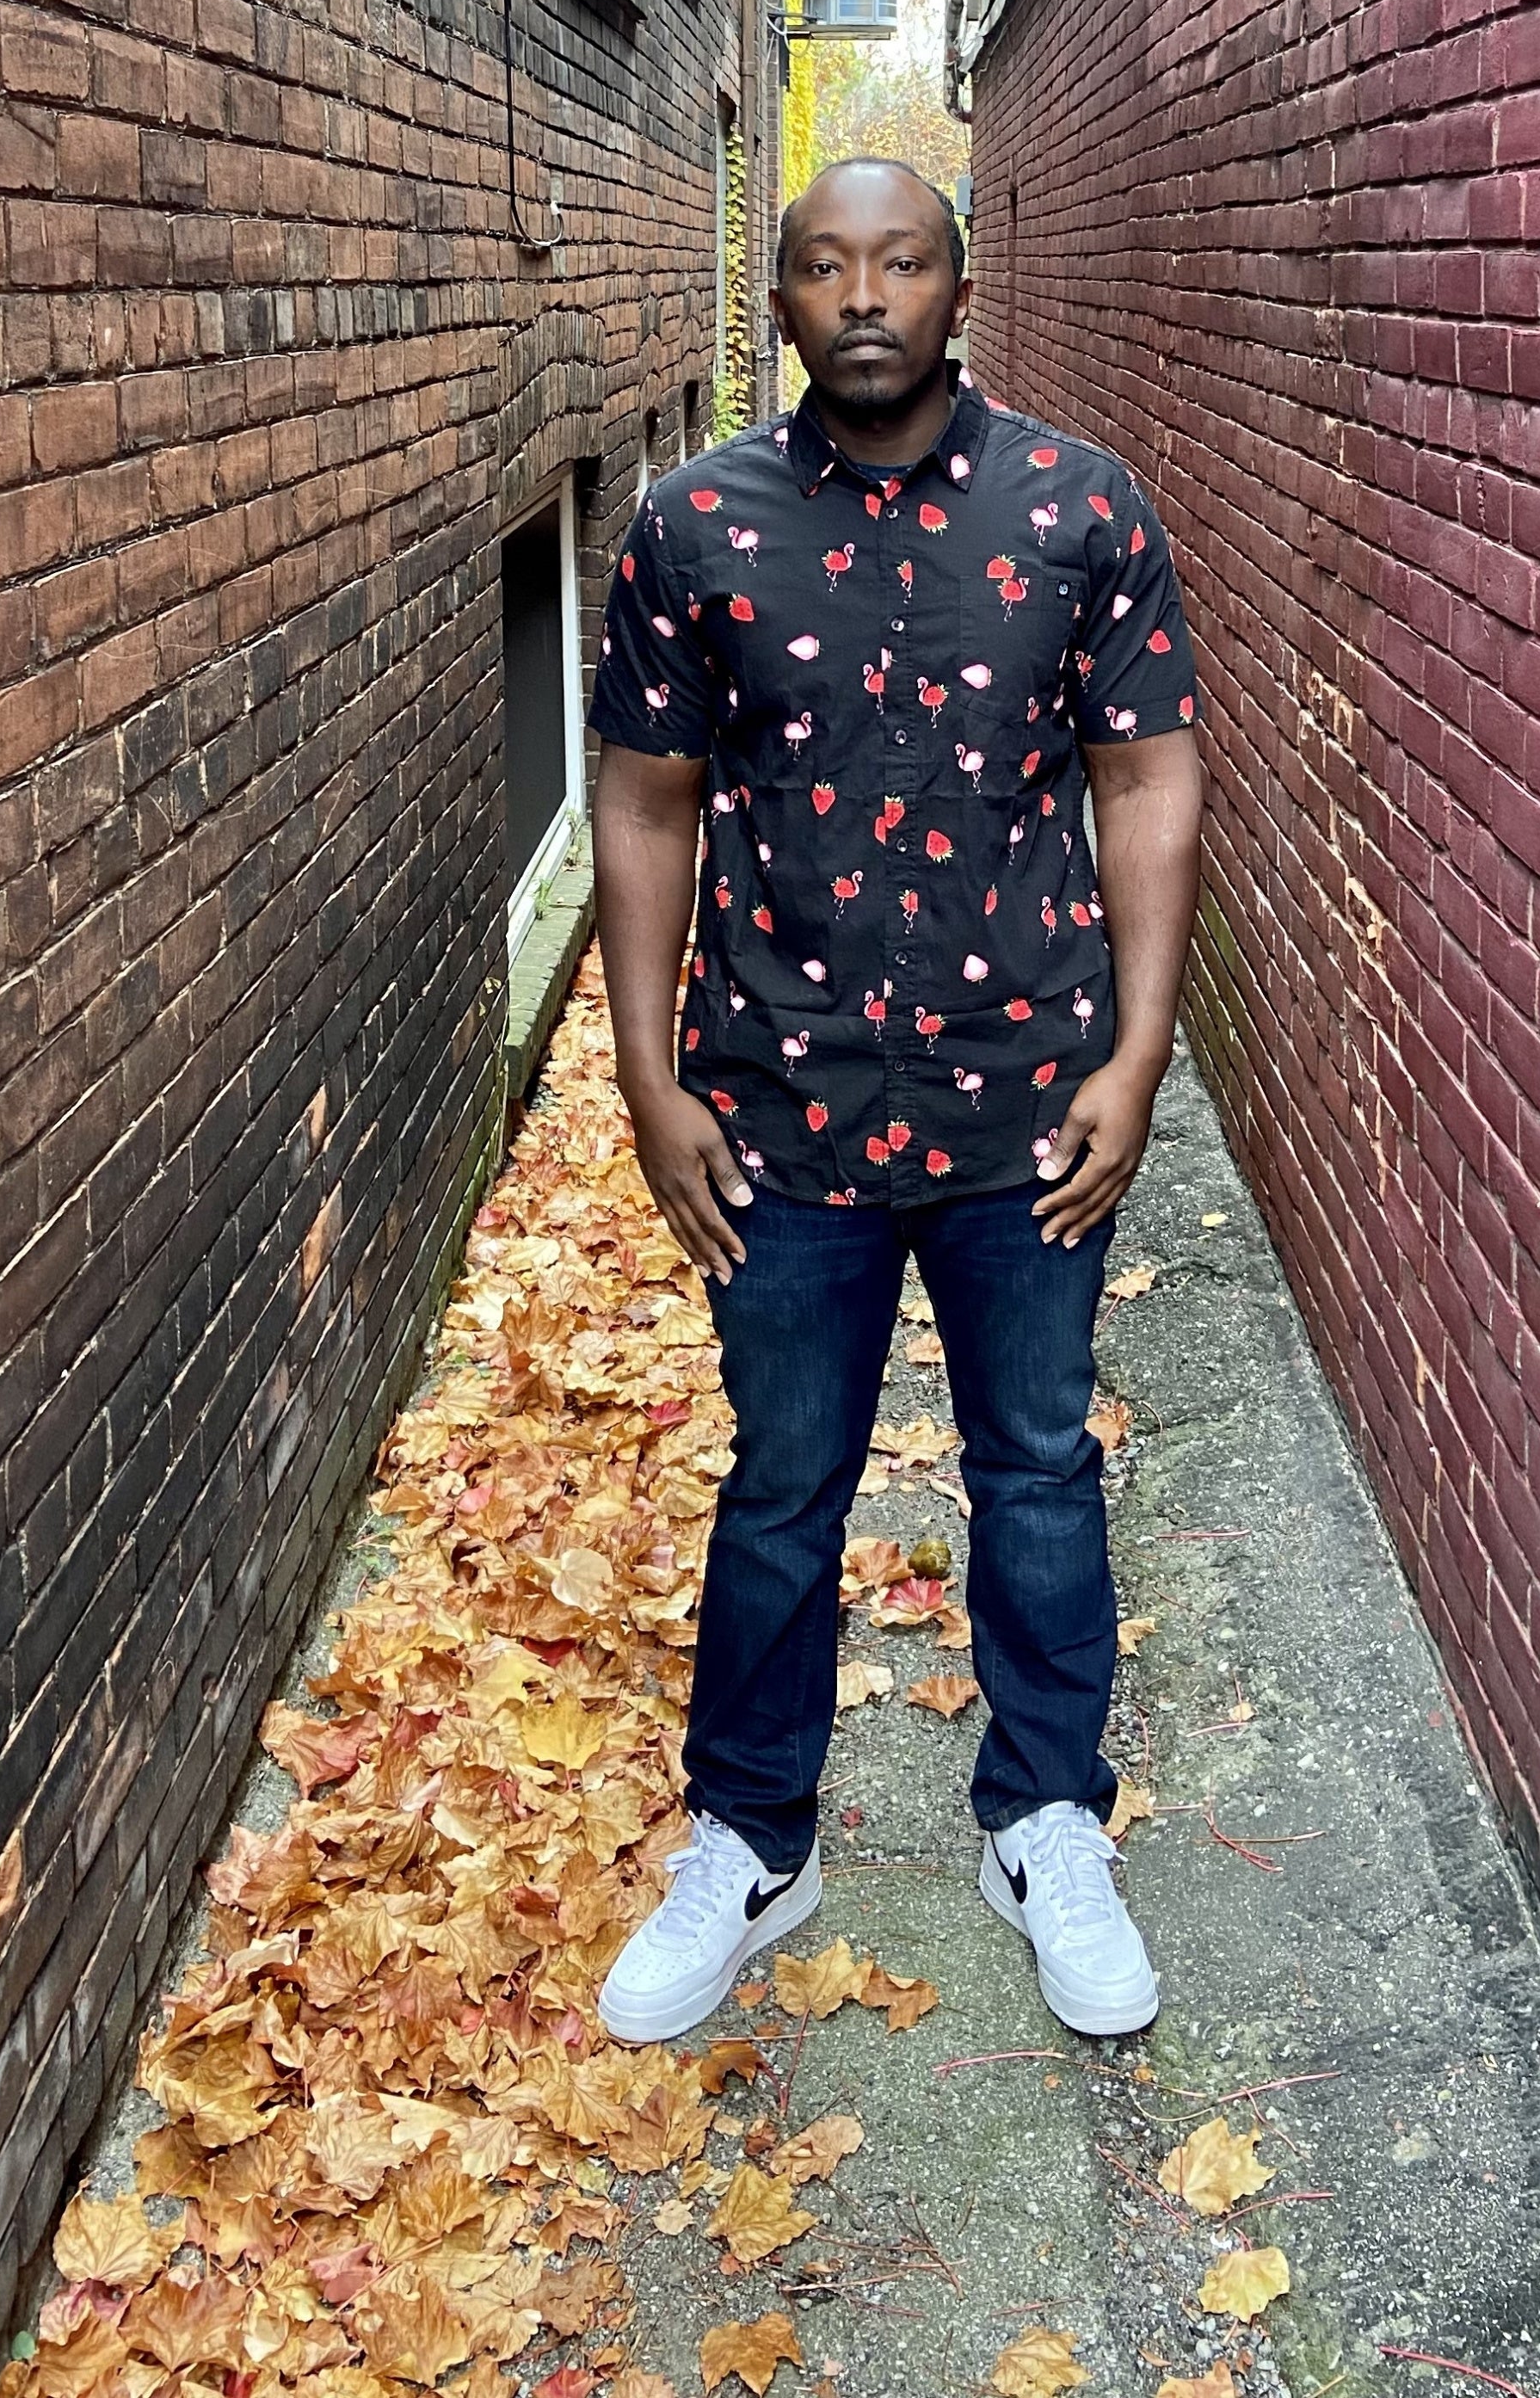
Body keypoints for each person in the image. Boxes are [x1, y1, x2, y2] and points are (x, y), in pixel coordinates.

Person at [588, 157, 1203, 2043]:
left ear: (957, 285)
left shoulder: (1080, 507)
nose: (864, 293)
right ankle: (753, 1840)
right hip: (776, 1107)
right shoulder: (687, 526)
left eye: (901, 260)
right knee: (782, 1485)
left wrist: (1139, 1044)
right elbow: (639, 801)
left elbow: (1146, 777)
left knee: (1034, 1463)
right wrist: (641, 1066)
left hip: (1025, 1100)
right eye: (823, 266)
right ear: (774, 301)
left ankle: (1042, 1820)